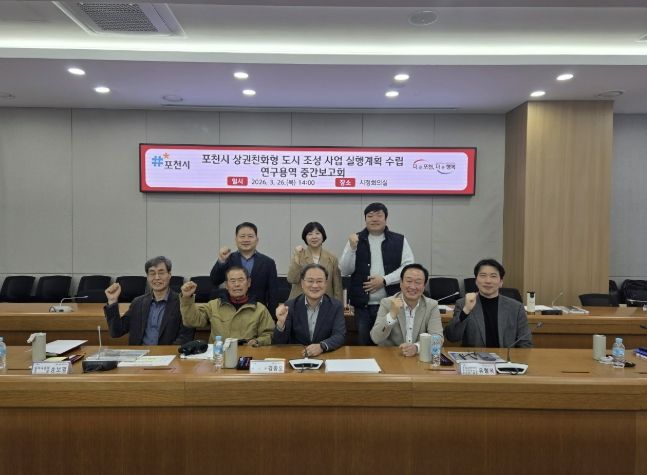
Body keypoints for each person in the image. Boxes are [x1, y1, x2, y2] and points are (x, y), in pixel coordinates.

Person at [339, 202, 414, 345]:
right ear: (365, 219)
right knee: (365, 345)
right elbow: (345, 270)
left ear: (386, 218)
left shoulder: (399, 240)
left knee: (389, 344)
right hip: (363, 307)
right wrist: (352, 248)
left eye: (379, 215)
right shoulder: (355, 239)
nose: (374, 219)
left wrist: (384, 280)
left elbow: (408, 267)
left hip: (391, 304)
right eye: (370, 216)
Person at [103, 256, 195, 345]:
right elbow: (116, 332)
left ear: (169, 275)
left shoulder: (183, 303)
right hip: (140, 354)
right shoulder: (138, 303)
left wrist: (165, 353)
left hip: (167, 354)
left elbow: (185, 338)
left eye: (161, 273)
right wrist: (112, 301)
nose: (157, 277)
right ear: (147, 277)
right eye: (152, 273)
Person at [444, 258, 532, 348]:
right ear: (476, 281)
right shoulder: (463, 304)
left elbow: (525, 343)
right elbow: (452, 337)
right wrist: (466, 311)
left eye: (493, 276)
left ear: (501, 282)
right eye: (483, 276)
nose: (488, 281)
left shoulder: (516, 307)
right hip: (474, 356)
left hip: (506, 356)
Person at [181, 266, 275, 345]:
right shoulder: (213, 306)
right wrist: (187, 297)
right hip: (219, 355)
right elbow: (191, 321)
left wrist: (257, 341)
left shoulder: (260, 309)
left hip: (247, 355)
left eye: (241, 280)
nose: (237, 284)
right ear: (226, 285)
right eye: (232, 281)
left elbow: (269, 334)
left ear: (248, 283)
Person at [273, 264, 346, 357]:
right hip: (297, 357)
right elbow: (278, 343)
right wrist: (280, 323)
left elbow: (340, 336)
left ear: (326, 284)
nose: (315, 285)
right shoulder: (290, 306)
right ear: (302, 283)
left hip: (325, 356)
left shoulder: (335, 306)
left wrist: (322, 346)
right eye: (310, 281)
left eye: (319, 281)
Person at [370, 263, 443, 356]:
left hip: (418, 358)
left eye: (418, 282)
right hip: (391, 357)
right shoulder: (387, 303)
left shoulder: (432, 306)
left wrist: (416, 348)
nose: (412, 287)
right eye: (409, 281)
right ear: (401, 283)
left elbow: (438, 338)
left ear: (424, 286)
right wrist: (391, 315)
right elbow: (376, 338)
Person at [210, 222, 279, 316]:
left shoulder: (268, 262)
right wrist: (221, 260)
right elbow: (215, 280)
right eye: (242, 236)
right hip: (231, 311)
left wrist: (272, 316)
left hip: (258, 312)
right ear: (236, 240)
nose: (246, 240)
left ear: (257, 240)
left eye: (250, 236)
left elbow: (273, 293)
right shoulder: (228, 259)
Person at [286, 222, 343, 302]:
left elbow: (337, 288)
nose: (314, 237)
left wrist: (338, 307)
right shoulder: (299, 255)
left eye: (317, 233)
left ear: (323, 236)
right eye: (310, 234)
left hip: (325, 303)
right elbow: (292, 279)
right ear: (305, 237)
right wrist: (296, 256)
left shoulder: (332, 258)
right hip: (300, 303)